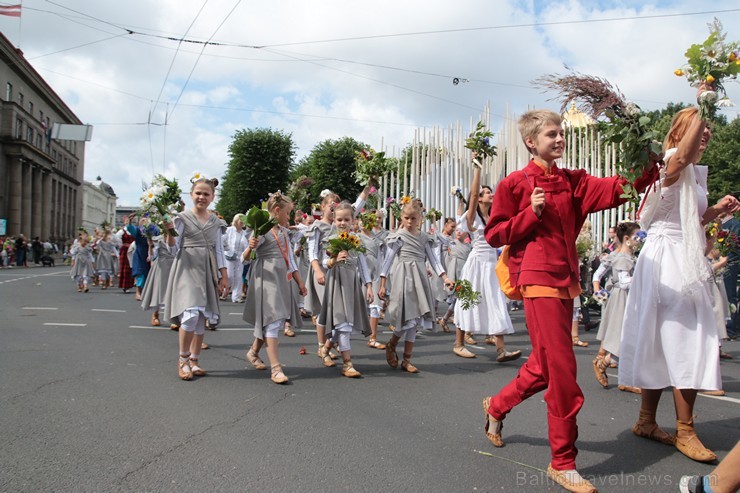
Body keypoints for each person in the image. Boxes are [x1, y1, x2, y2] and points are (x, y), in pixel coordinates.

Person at [483, 109, 660, 493]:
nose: (559, 139)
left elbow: (619, 187)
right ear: (531, 141)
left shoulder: (573, 181)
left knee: (545, 366)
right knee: (562, 369)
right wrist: (530, 214)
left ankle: (496, 406)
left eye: (561, 133)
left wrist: (649, 156)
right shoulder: (514, 184)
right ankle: (563, 462)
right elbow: (494, 234)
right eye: (552, 134)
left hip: (566, 280)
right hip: (535, 278)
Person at [619, 105, 740, 463]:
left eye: (708, 130)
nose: (706, 134)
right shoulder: (671, 159)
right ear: (678, 132)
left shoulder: (694, 172)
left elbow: (692, 220)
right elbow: (683, 155)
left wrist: (715, 211)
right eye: (699, 128)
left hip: (682, 253)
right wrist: (705, 101)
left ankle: (646, 421)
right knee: (685, 335)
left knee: (666, 336)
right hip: (665, 257)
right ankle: (684, 429)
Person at [163, 176, 228, 381]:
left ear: (212, 197)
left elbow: (219, 250)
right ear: (191, 195)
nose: (201, 197)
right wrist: (168, 232)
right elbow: (173, 247)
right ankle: (182, 360)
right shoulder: (181, 218)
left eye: (206, 194)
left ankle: (194, 360)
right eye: (198, 193)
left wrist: (223, 275)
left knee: (201, 318)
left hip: (207, 269)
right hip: (187, 268)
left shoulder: (216, 222)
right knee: (190, 315)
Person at [455, 163, 520, 362]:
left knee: (496, 302)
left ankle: (501, 350)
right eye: (486, 192)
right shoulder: (472, 217)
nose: (490, 194)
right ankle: (459, 344)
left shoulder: (494, 216)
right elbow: (472, 196)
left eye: (490, 191)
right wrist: (477, 168)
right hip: (476, 264)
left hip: (492, 264)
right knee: (467, 301)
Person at [378, 201, 453, 373]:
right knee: (407, 319)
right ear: (401, 218)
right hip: (403, 277)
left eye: (414, 218)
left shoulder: (425, 238)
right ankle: (392, 343)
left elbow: (434, 261)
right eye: (407, 218)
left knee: (416, 319)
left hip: (420, 277)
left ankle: (407, 359)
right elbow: (387, 262)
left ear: (420, 217)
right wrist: (382, 284)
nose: (410, 221)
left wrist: (445, 277)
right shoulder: (398, 237)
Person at [242, 192, 306, 384]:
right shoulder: (261, 231)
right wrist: (250, 247)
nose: (290, 217)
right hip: (266, 280)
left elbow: (290, 261)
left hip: (281, 280)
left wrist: (299, 282)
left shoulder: (285, 233)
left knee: (274, 320)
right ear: (277, 211)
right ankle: (275, 368)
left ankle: (253, 352)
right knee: (271, 320)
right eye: (288, 213)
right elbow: (244, 257)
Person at [317, 202, 373, 377]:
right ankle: (347, 364)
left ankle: (326, 348)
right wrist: (334, 259)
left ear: (353, 220)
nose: (342, 223)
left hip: (352, 285)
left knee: (345, 324)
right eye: (339, 219)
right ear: (334, 220)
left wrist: (369, 286)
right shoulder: (330, 240)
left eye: (346, 219)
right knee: (342, 324)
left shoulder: (357, 241)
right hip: (336, 284)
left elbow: (363, 266)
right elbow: (324, 262)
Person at [591, 221, 641, 391]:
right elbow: (624, 282)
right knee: (623, 335)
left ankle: (611, 367)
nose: (640, 240)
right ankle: (607, 365)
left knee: (628, 336)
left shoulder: (628, 257)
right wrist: (643, 277)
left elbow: (598, 275)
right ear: (627, 239)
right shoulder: (621, 258)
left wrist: (599, 291)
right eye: (637, 236)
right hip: (622, 298)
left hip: (627, 297)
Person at [140, 231, 175, 328]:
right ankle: (155, 315)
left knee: (174, 291)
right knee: (158, 289)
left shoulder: (177, 236)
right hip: (161, 266)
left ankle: (174, 318)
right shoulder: (157, 239)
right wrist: (150, 245)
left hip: (174, 265)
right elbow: (152, 256)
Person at [223, 214, 248, 303]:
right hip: (229, 256)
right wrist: (227, 249)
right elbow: (223, 240)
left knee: (238, 276)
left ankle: (236, 297)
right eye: (240, 220)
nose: (242, 222)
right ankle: (225, 291)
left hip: (240, 257)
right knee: (230, 276)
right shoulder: (229, 230)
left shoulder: (244, 233)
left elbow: (246, 245)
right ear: (236, 220)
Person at [126, 216, 151, 301]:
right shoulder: (138, 231)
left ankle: (146, 293)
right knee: (140, 274)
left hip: (149, 254)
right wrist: (130, 221)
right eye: (142, 220)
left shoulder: (151, 231)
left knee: (148, 274)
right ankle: (138, 292)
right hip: (139, 254)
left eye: (145, 221)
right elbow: (130, 228)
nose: (144, 222)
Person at [117, 224, 135, 293]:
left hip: (132, 250)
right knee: (125, 268)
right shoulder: (122, 231)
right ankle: (124, 285)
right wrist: (122, 245)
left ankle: (129, 285)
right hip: (125, 251)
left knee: (131, 267)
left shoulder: (133, 231)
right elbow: (116, 239)